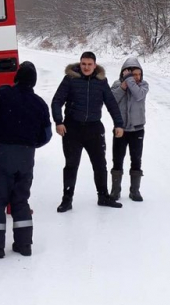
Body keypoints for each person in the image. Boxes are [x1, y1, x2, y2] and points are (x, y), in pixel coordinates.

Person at [0, 61, 52, 259]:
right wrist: (29, 144)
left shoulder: (4, 94)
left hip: (4, 154)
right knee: (20, 199)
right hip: (26, 156)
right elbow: (46, 135)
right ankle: (24, 245)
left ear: (17, 77)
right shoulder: (39, 103)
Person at [51, 50, 124, 212]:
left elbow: (111, 104)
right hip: (72, 129)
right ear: (80, 63)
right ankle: (67, 199)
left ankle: (103, 196)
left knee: (100, 164)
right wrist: (58, 122)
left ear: (95, 65)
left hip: (94, 128)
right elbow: (56, 101)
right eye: (83, 64)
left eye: (89, 64)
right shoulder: (70, 79)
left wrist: (118, 124)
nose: (86, 67)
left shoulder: (101, 81)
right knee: (71, 165)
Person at [110, 56, 149, 202]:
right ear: (124, 73)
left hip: (137, 129)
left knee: (136, 160)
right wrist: (122, 87)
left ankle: (135, 191)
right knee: (117, 159)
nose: (137, 77)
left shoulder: (143, 85)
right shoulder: (117, 84)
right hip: (120, 129)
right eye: (134, 74)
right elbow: (111, 101)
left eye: (139, 74)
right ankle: (115, 191)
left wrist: (129, 80)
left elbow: (138, 96)